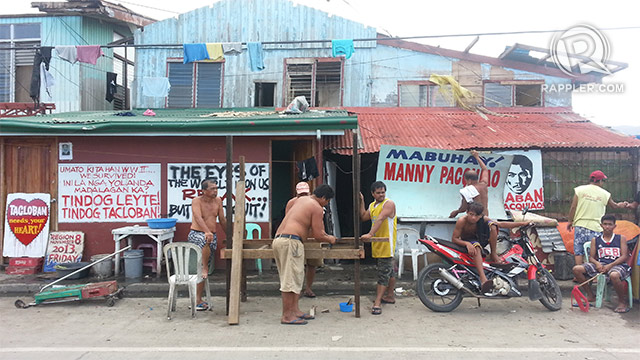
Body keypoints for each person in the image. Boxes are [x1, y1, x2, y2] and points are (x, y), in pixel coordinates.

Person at [273, 184, 336, 325]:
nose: (326, 204)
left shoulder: (300, 200)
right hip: (290, 241)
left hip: (281, 240)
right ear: (324, 198)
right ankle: (287, 316)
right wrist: (330, 238)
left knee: (296, 277)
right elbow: (318, 234)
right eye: (327, 202)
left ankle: (295, 311)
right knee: (290, 280)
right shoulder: (316, 207)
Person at [452, 201, 530, 292]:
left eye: (476, 216)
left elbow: (501, 224)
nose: (473, 218)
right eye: (471, 214)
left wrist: (522, 224)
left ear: (481, 216)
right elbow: (454, 239)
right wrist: (467, 244)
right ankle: (483, 279)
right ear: (467, 212)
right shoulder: (462, 221)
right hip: (467, 241)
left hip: (479, 240)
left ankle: (493, 254)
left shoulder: (483, 219)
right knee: (476, 247)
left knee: (493, 226)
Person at [572, 214, 631, 313]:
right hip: (601, 264)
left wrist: (610, 265)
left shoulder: (621, 238)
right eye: (605, 224)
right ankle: (590, 295)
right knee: (576, 269)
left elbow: (624, 256)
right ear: (601, 225)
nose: (607, 227)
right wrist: (597, 264)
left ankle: (622, 302)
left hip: (617, 265)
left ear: (614, 226)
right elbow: (591, 257)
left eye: (610, 224)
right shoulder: (596, 240)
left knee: (614, 275)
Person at [567, 170, 627, 266]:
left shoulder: (579, 190)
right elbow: (614, 206)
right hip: (596, 226)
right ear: (600, 181)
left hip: (580, 225)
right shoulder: (605, 194)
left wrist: (570, 221)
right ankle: (595, 276)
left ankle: (578, 273)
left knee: (579, 250)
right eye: (603, 181)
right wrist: (623, 205)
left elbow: (573, 207)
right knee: (594, 253)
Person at [188, 179, 227, 311]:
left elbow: (222, 219)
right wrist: (206, 231)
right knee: (205, 242)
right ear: (203, 191)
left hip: (211, 236)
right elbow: (198, 217)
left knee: (203, 271)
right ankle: (204, 267)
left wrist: (230, 235)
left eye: (216, 188)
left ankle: (198, 299)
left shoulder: (218, 201)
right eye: (212, 188)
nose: (215, 191)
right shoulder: (196, 201)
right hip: (197, 233)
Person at [359, 181, 397, 315]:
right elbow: (363, 216)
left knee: (383, 274)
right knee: (389, 271)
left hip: (387, 244)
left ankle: (377, 302)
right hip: (378, 243)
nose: (381, 195)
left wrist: (369, 234)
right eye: (378, 193)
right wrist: (362, 201)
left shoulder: (389, 204)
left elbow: (380, 219)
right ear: (373, 194)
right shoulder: (373, 205)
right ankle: (390, 296)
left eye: (383, 192)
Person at [285, 181, 322, 298]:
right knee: (296, 266)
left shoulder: (315, 203)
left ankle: (308, 288)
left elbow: (319, 224)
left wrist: (322, 236)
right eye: (301, 194)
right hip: (297, 238)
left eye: (305, 194)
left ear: (309, 193)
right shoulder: (291, 203)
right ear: (297, 194)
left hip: (312, 237)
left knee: (312, 264)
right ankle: (297, 290)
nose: (303, 197)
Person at [450, 150, 489, 218]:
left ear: (469, 180)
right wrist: (477, 157)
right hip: (486, 217)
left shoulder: (467, 190)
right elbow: (485, 169)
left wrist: (456, 212)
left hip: (475, 218)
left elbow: (464, 208)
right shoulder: (484, 185)